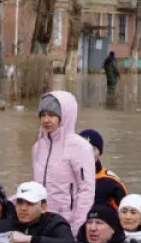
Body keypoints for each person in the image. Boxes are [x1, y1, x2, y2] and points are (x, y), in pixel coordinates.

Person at [32, 91, 95, 234]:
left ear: (65, 116)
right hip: (41, 222)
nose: (46, 120)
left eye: (52, 115)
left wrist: (78, 228)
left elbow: (86, 190)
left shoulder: (80, 147)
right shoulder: (38, 147)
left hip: (67, 223)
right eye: (43, 115)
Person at [79, 129, 128, 212]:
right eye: (83, 148)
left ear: (99, 152)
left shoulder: (111, 182)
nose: (87, 153)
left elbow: (124, 215)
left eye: (93, 149)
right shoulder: (64, 177)